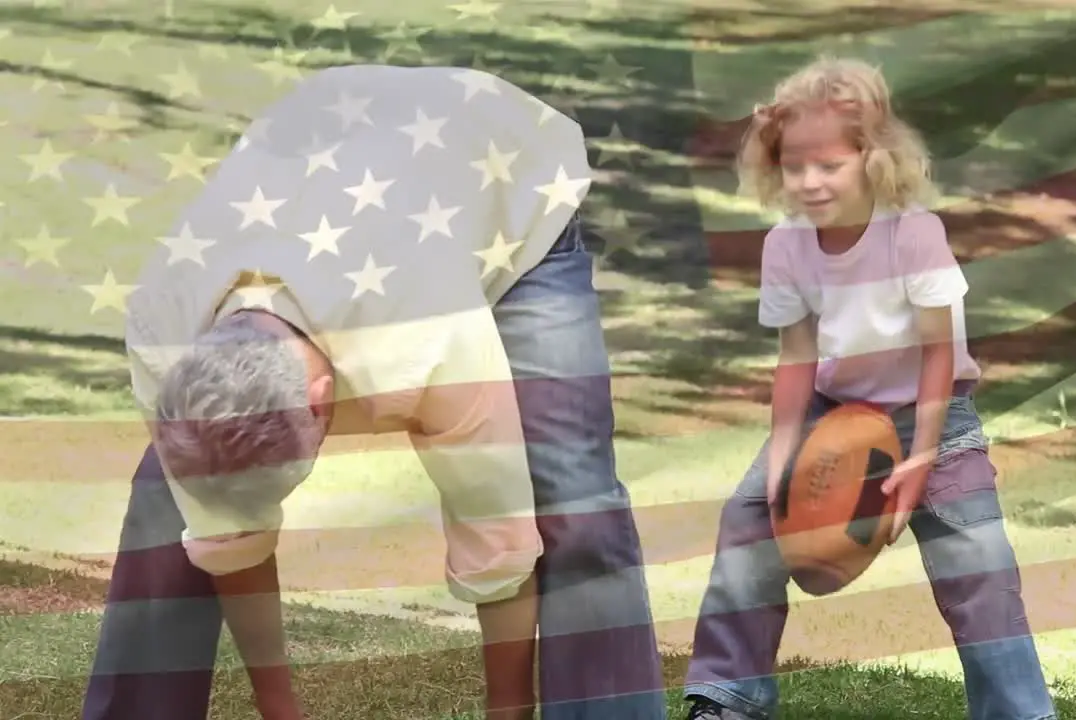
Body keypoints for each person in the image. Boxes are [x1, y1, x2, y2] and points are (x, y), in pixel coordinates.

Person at [81, 64, 667, 720]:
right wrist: (282, 709)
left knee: (570, 488)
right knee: (169, 497)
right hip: (342, 150)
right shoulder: (163, 335)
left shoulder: (426, 339)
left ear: (322, 400)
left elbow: (493, 527)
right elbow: (225, 519)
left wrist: (509, 709)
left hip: (507, 173)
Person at [679, 56, 1059, 720]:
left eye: (829, 165)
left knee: (981, 570)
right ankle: (727, 700)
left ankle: (1020, 713)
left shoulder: (913, 235)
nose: (811, 182)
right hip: (836, 409)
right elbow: (797, 356)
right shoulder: (785, 244)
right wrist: (782, 455)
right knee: (746, 523)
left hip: (933, 412)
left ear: (871, 156)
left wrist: (921, 458)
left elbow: (940, 353)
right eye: (795, 167)